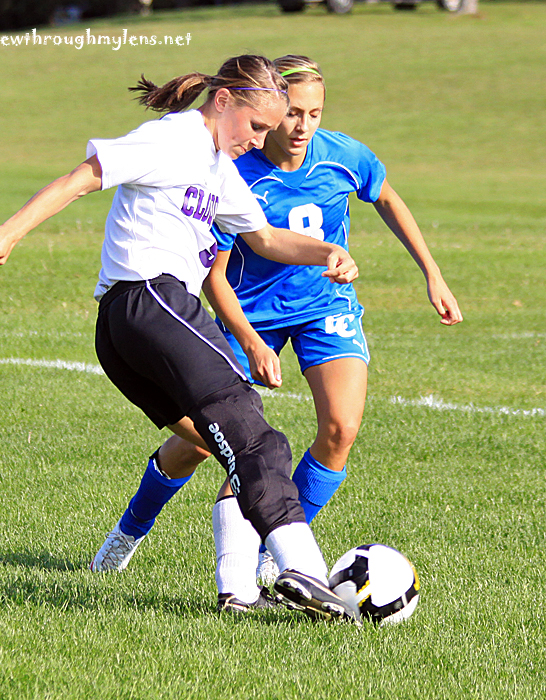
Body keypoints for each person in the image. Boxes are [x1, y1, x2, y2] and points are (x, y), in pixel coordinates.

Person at [0, 54, 360, 621]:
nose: (261, 141)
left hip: (122, 333)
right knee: (258, 438)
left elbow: (266, 240)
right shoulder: (174, 138)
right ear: (224, 100)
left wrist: (329, 250)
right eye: (257, 126)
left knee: (228, 444)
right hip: (150, 299)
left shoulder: (219, 167)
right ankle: (300, 568)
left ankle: (236, 591)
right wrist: (10, 231)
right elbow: (84, 176)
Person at [94, 54, 463, 613]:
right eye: (290, 114)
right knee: (206, 443)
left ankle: (274, 560)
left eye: (314, 113)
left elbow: (386, 195)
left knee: (340, 428)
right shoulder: (230, 167)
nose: (301, 127)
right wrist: (249, 339)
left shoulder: (343, 155)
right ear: (264, 108)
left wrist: (432, 274)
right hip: (250, 314)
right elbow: (215, 273)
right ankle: (131, 529)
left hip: (323, 306)